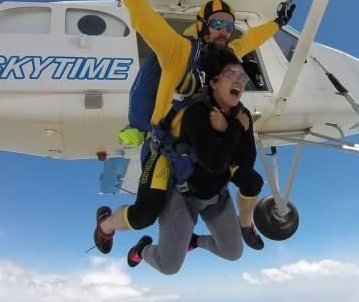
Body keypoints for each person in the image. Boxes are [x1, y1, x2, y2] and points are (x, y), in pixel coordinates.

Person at [93, 0, 295, 254]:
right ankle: (105, 225)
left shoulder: (228, 55)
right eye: (216, 24)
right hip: (166, 151)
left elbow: (254, 38)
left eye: (229, 26)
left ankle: (245, 224)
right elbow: (142, 16)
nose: (224, 31)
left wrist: (278, 22)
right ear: (202, 26)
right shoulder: (178, 51)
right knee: (144, 215)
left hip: (205, 152)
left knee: (251, 180)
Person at [102, 48, 256, 274]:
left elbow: (247, 160)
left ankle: (193, 242)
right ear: (214, 82)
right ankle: (142, 249)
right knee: (169, 266)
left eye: (242, 77)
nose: (239, 81)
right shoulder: (197, 113)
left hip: (216, 196)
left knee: (233, 253)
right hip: (183, 196)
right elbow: (214, 162)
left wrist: (230, 128)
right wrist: (234, 130)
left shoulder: (242, 116)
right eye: (231, 74)